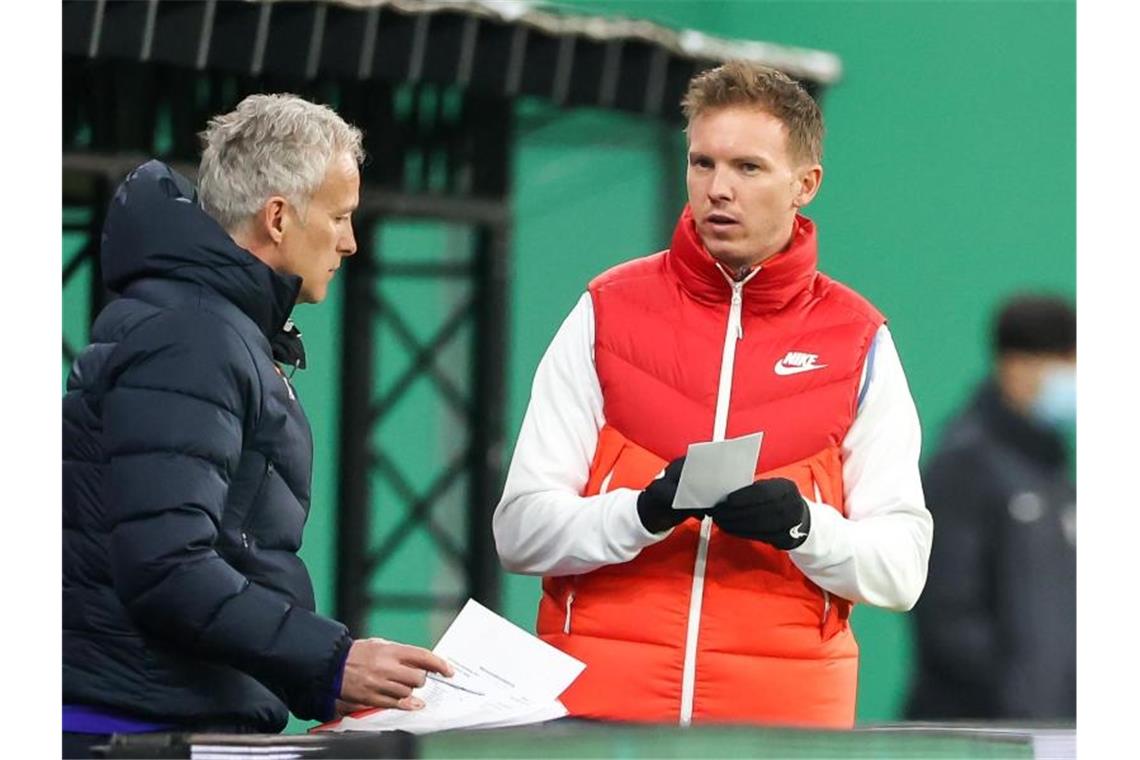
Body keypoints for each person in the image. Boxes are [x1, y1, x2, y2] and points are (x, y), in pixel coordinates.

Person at [493, 61, 933, 728]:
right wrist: (639, 514)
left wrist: (803, 530)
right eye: (702, 164)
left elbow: (901, 569)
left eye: (748, 168)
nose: (717, 190)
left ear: (804, 185)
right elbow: (520, 532)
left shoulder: (858, 339)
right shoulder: (606, 310)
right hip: (601, 720)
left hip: (785, 730)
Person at [62, 94, 452, 758]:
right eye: (340, 217)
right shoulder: (193, 337)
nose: (351, 241)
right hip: (132, 731)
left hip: (160, 720)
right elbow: (166, 567)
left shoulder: (208, 328)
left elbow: (212, 561)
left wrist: (322, 677)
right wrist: (332, 658)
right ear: (278, 217)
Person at [906, 295, 1076, 721]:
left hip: (1054, 729)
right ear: (1017, 367)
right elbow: (946, 611)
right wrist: (1020, 694)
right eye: (1067, 364)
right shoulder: (964, 464)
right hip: (980, 731)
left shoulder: (1051, 468)